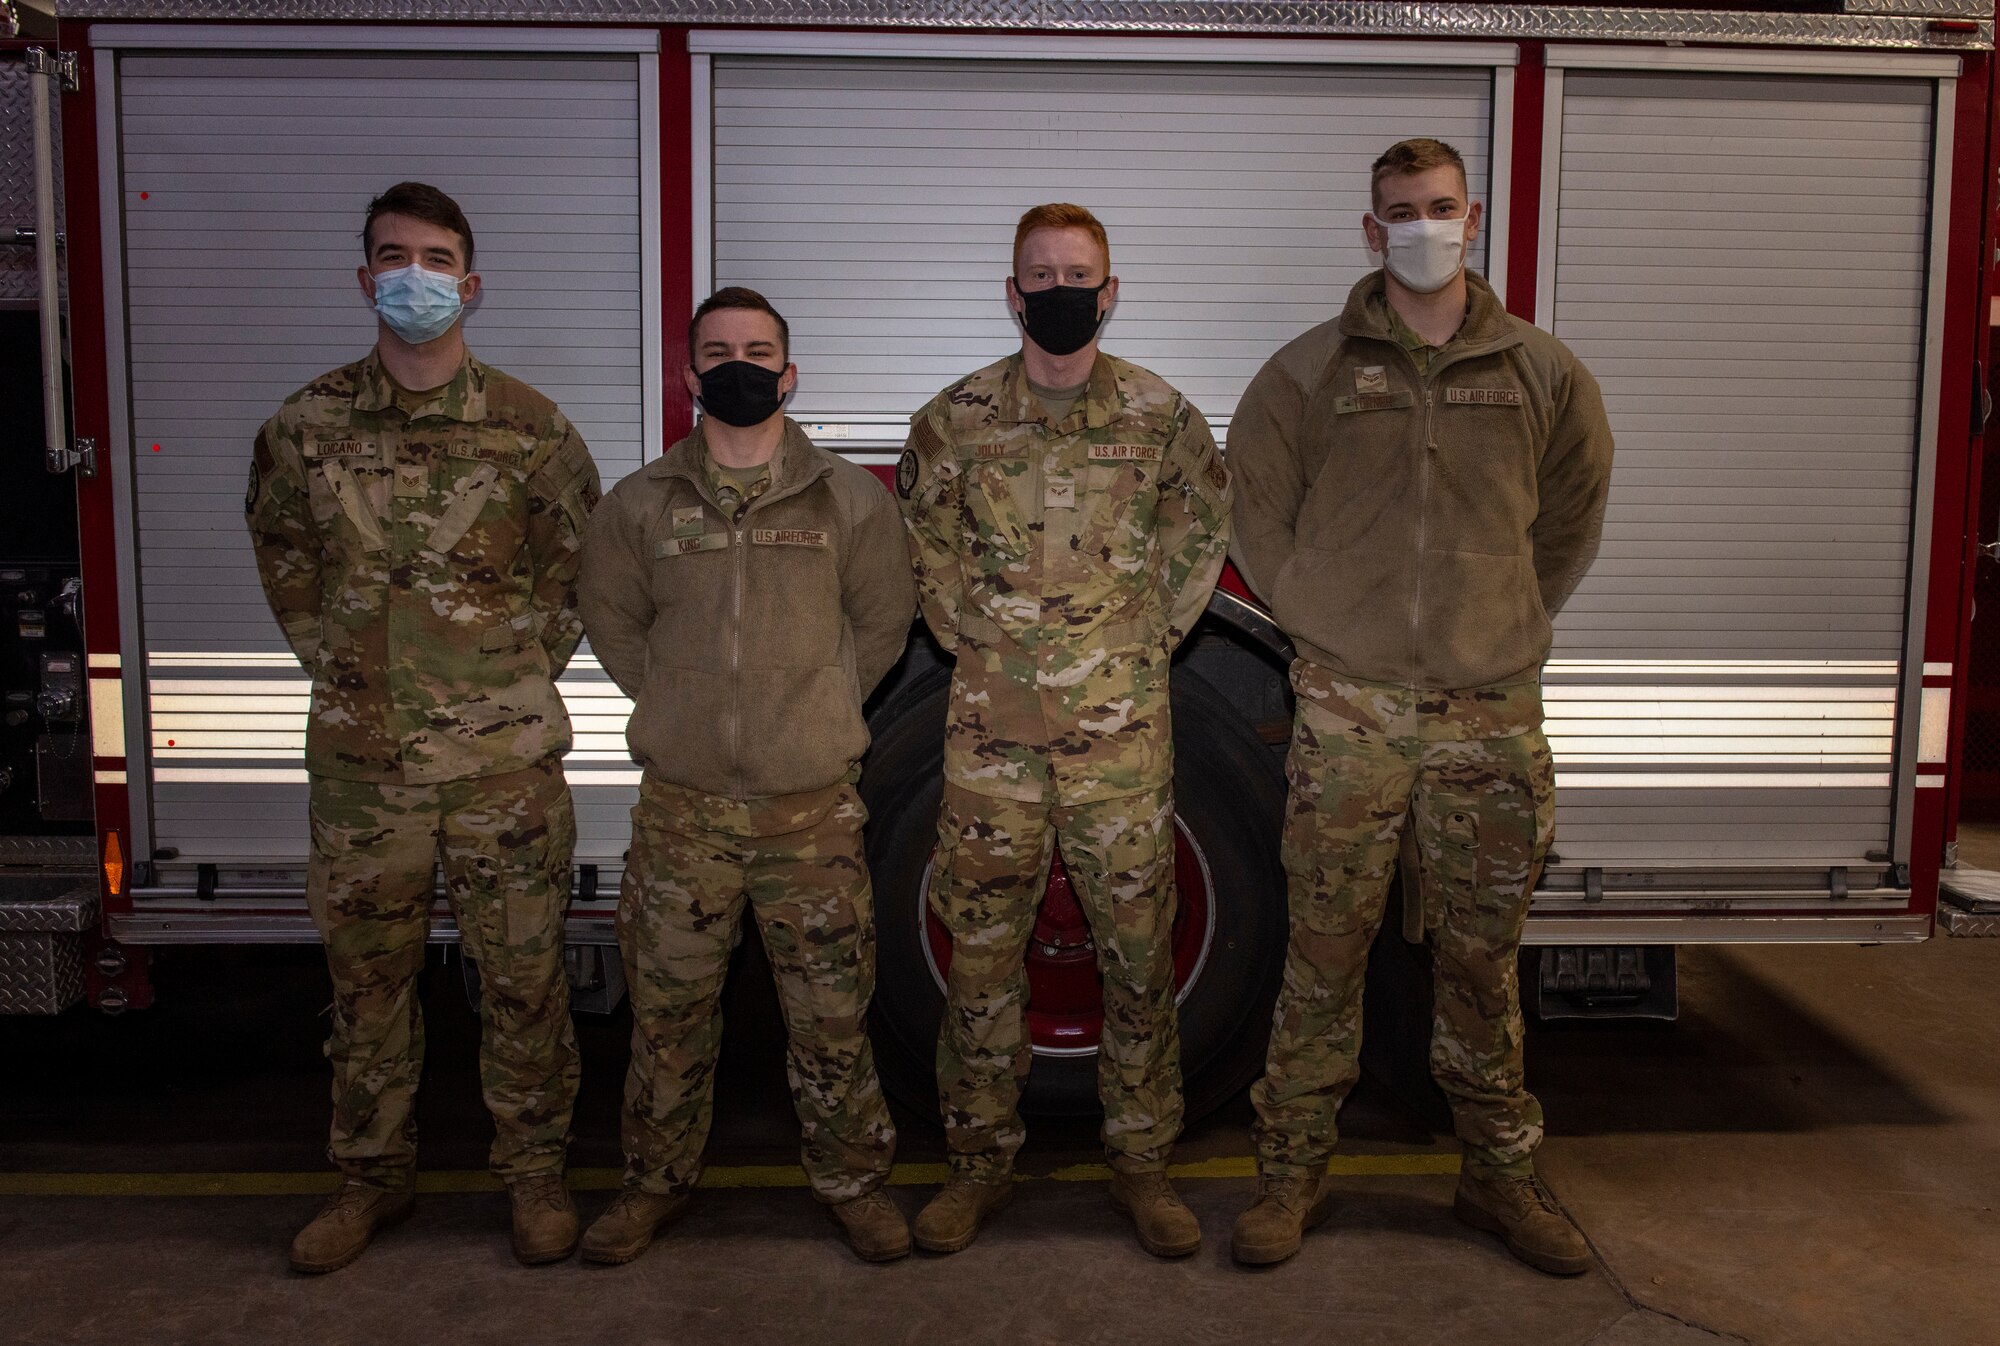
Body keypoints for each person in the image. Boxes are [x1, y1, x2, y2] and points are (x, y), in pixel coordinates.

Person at [1224, 138, 1615, 1272]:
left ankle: (1497, 1176)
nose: (1419, 225)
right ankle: (1288, 1178)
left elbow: (1570, 515)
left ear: (1472, 216)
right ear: (1369, 228)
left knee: (1480, 961)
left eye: (1438, 206)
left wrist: (1499, 618)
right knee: (1323, 952)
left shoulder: (1542, 373)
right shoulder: (1305, 374)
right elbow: (1256, 510)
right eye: (1398, 210)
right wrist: (1325, 621)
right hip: (1348, 709)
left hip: (1487, 711)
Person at [245, 181, 601, 1272]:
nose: (415, 276)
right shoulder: (302, 427)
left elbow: (573, 575)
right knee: (366, 986)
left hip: (503, 767)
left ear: (470, 284)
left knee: (526, 976)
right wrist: (349, 671)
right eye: (394, 256)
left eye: (436, 258)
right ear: (364, 279)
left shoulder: (533, 430)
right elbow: (287, 564)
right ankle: (369, 1179)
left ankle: (535, 1175)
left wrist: (496, 681)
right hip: (365, 769)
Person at [895, 203, 1233, 1257]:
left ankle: (1141, 1166)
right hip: (990, 740)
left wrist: (1132, 650)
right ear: (1010, 293)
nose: (1058, 289)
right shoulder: (952, 420)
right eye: (1037, 274)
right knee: (983, 953)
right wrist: (987, 649)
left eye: (1076, 272)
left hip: (1119, 743)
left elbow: (1198, 541)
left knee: (1135, 956)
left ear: (1109, 288)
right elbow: (923, 553)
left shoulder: (1159, 416)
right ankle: (977, 1164)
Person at [576, 287, 917, 1264]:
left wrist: (815, 704)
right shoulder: (639, 505)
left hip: (808, 814)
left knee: (831, 1017)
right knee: (668, 1017)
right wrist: (682, 703)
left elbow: (883, 622)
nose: (739, 363)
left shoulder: (848, 501)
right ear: (689, 374)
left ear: (788, 371)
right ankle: (651, 1185)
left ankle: (853, 1181)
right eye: (718, 349)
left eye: (758, 349)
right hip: (683, 815)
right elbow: (613, 621)